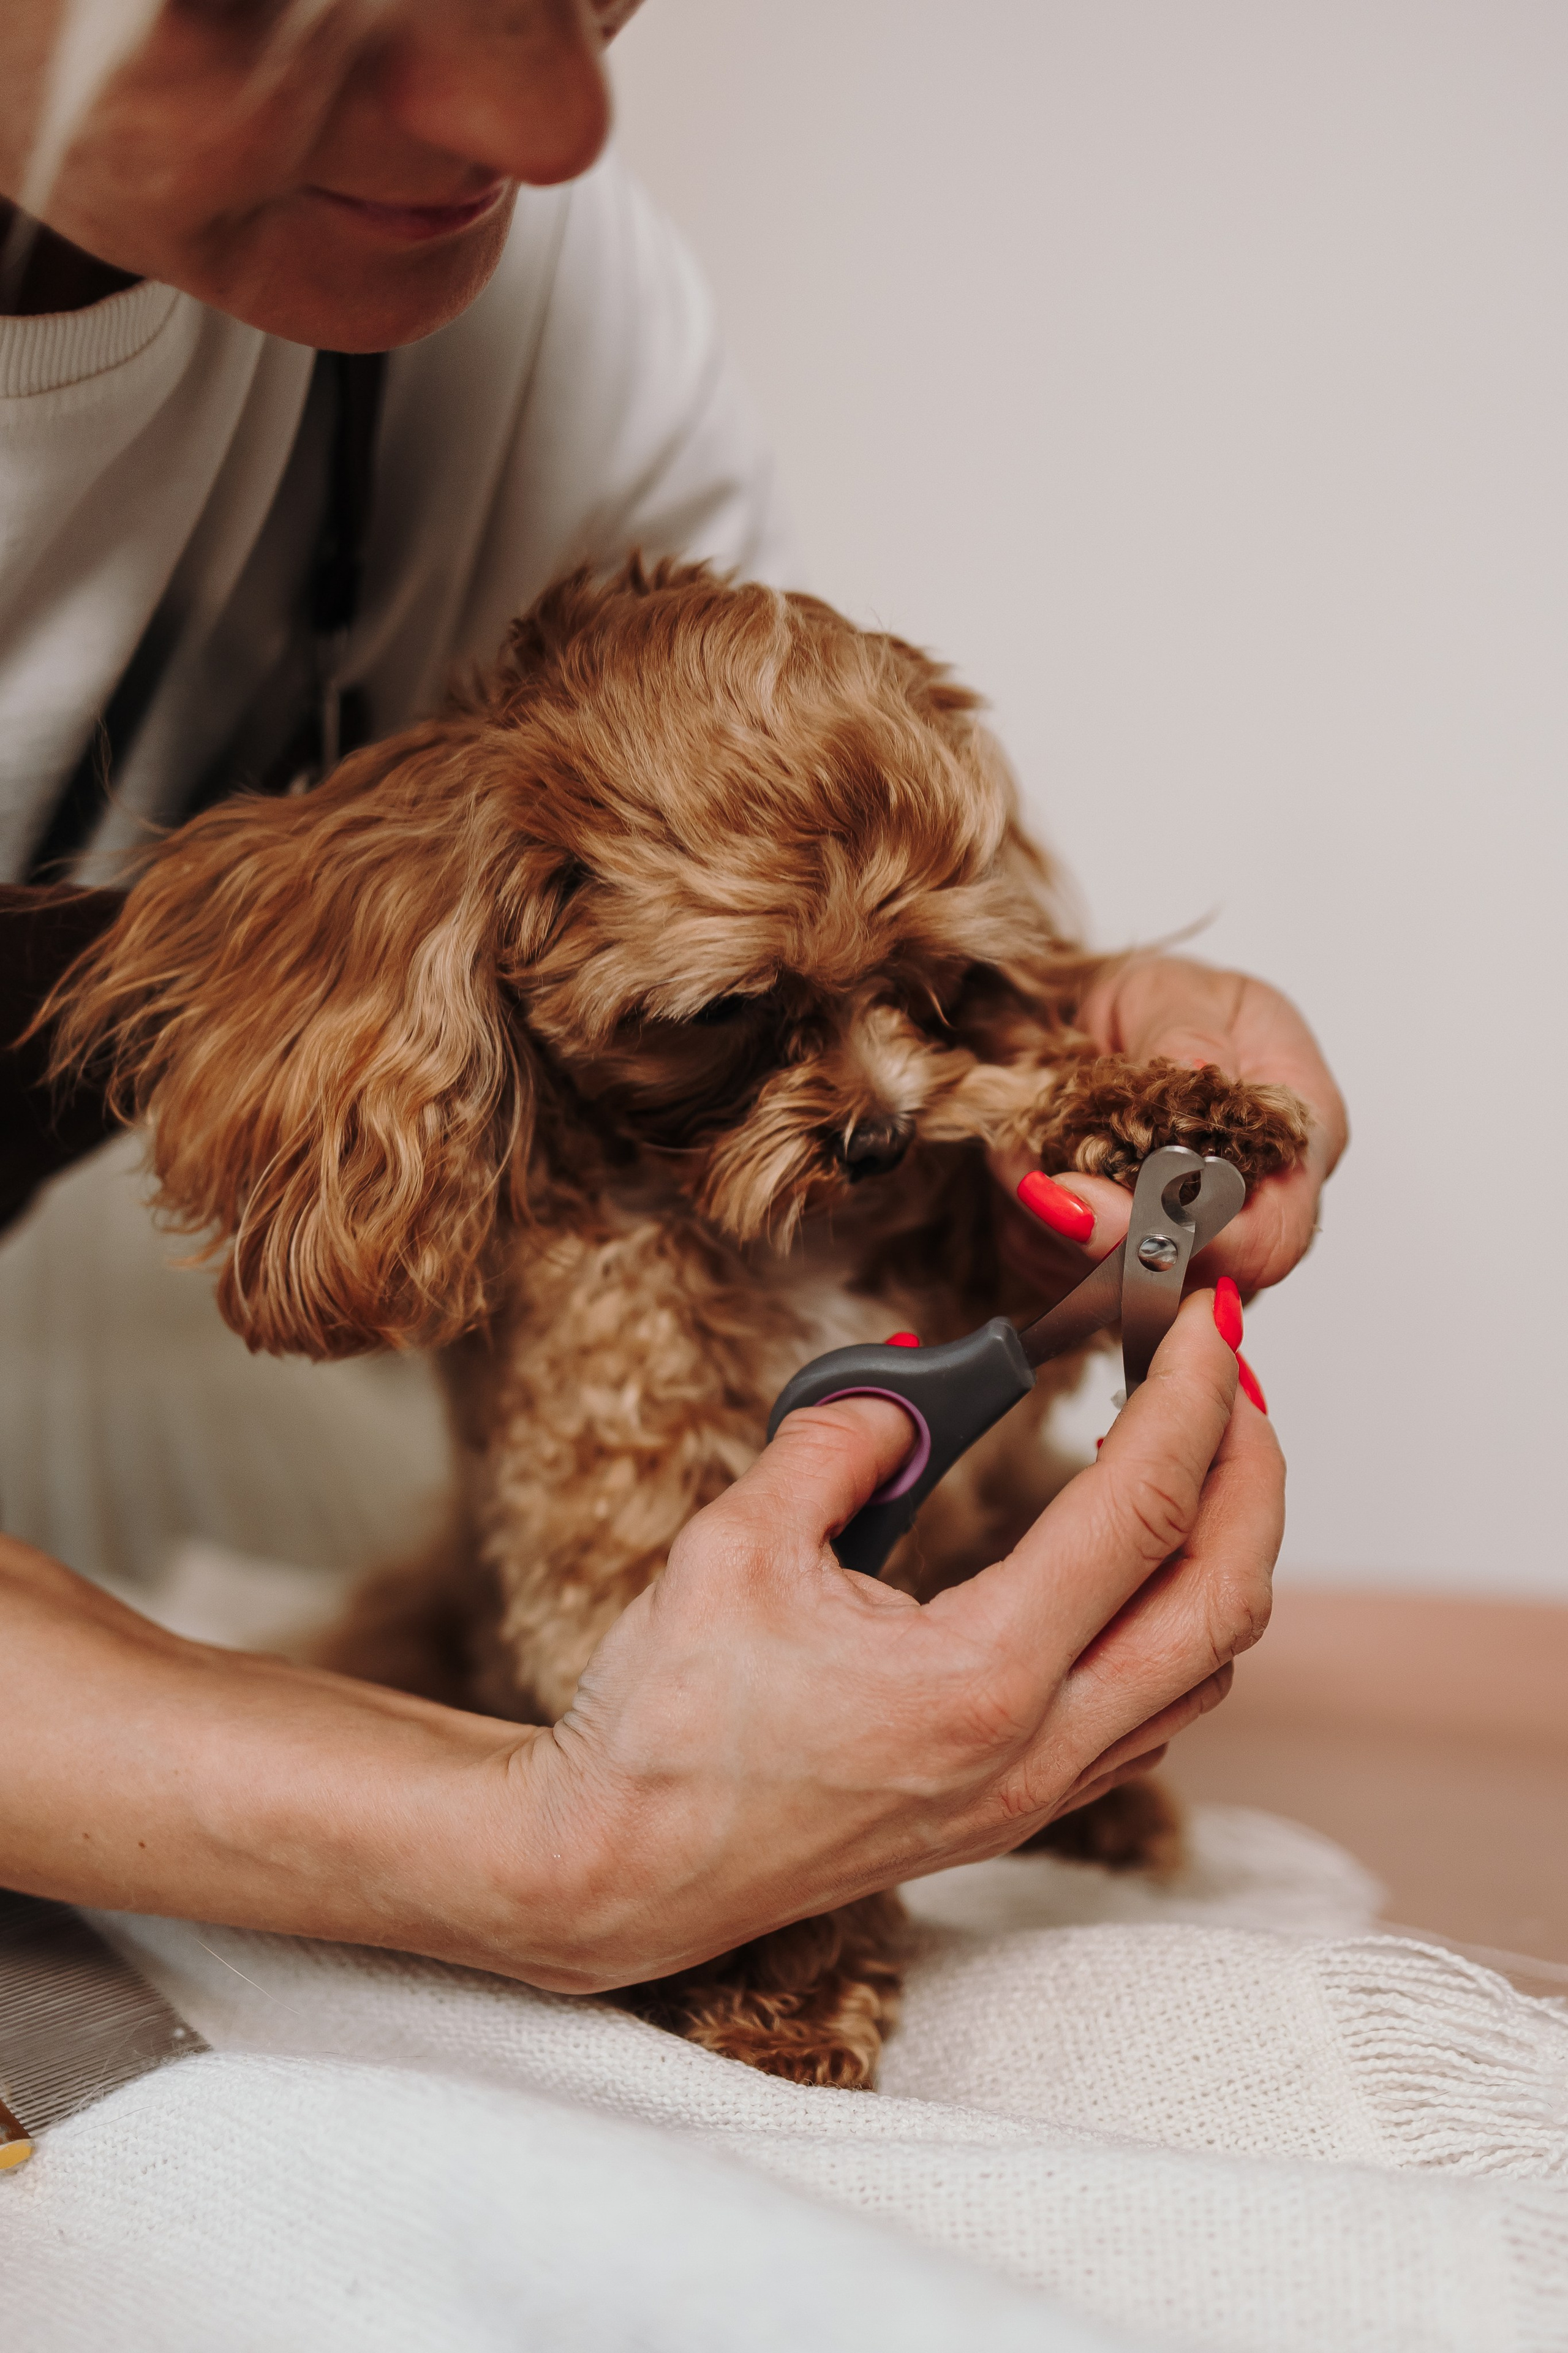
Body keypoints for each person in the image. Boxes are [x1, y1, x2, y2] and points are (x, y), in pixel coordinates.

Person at [0, 0, 1344, 1991]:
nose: (550, 123)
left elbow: (804, 834)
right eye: (272, 6)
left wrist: (1071, 1041)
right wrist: (531, 1843)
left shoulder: (523, 304)